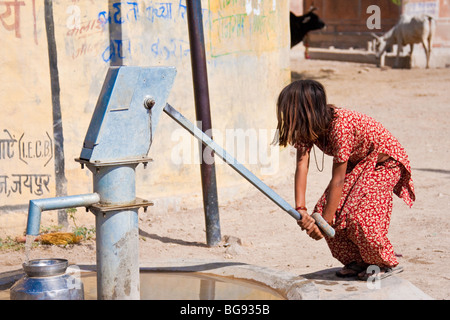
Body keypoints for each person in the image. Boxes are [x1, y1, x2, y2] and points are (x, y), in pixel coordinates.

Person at [274, 80, 415, 280]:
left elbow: (338, 181)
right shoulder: (308, 127)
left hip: (383, 162)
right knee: (323, 211)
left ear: (306, 111)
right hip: (357, 162)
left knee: (361, 218)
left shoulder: (340, 127)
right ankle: (358, 260)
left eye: (290, 113)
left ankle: (384, 263)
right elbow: (301, 165)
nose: (287, 119)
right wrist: (301, 210)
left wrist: (323, 224)